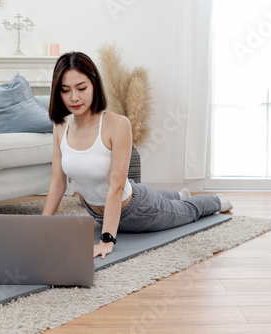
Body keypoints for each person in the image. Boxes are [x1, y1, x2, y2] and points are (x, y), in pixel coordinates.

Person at [42, 51, 233, 259]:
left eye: (81, 88)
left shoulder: (117, 124)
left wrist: (106, 239)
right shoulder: (61, 125)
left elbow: (116, 186)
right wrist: (41, 228)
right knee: (159, 198)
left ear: (94, 85)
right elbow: (58, 183)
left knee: (187, 212)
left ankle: (218, 201)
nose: (74, 98)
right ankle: (176, 195)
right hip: (97, 211)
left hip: (137, 211)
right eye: (65, 90)